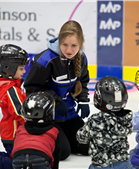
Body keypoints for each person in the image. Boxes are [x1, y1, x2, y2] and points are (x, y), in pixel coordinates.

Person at [23, 20, 90, 160]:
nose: (69, 50)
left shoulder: (82, 58)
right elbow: (31, 88)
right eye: (64, 44)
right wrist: (55, 101)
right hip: (47, 116)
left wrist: (83, 100)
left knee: (88, 146)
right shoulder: (46, 60)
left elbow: (82, 82)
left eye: (74, 45)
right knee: (63, 152)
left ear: (81, 44)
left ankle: (65, 134)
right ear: (59, 41)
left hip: (68, 114)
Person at [76, 76, 133, 169]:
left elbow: (81, 138)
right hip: (124, 163)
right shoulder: (126, 118)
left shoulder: (95, 120)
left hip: (100, 165)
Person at [10, 91, 60, 169]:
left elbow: (15, 146)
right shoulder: (53, 131)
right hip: (40, 158)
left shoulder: (20, 130)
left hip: (18, 158)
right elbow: (56, 157)